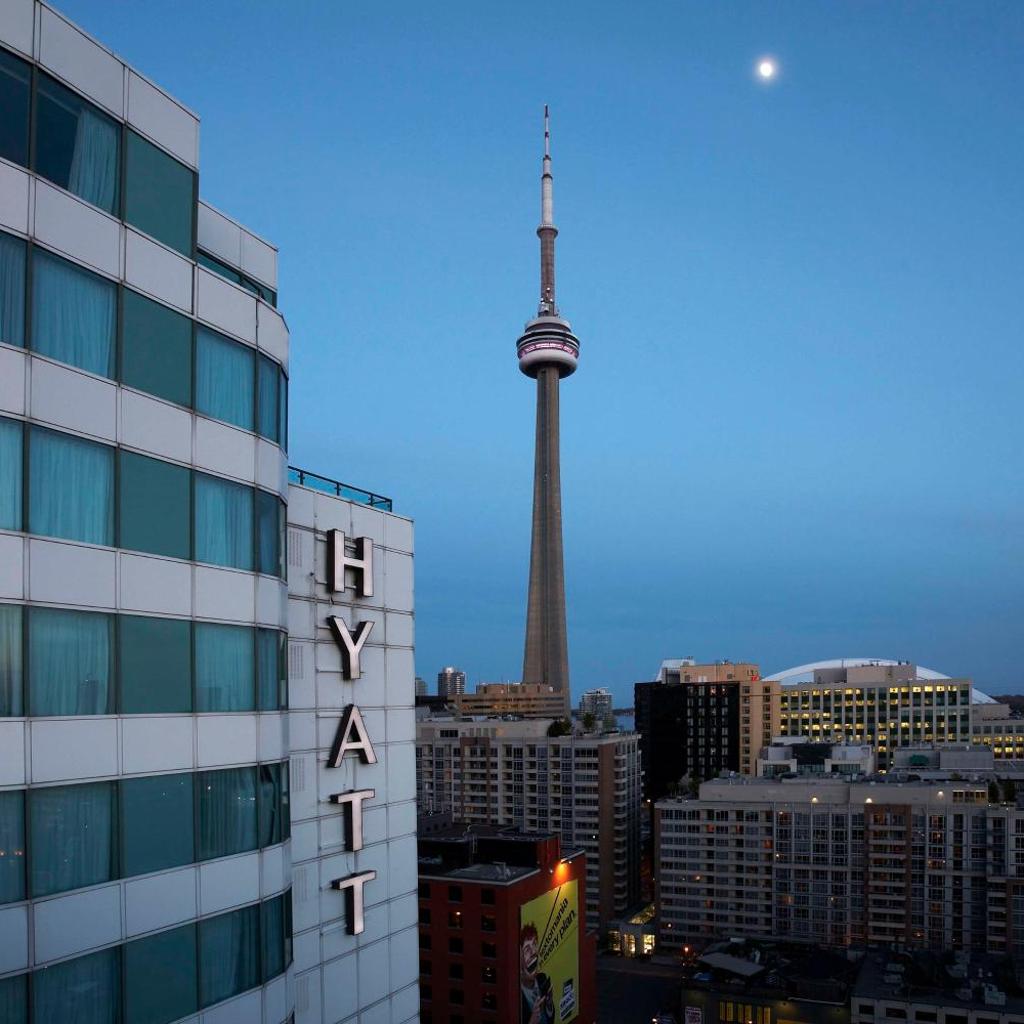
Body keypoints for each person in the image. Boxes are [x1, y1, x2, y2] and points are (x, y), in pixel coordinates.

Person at [520, 923, 555, 1024]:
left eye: (535, 944)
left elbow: (551, 1020)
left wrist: (549, 1004)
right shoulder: (517, 996)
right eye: (527, 949)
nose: (534, 951)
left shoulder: (542, 978)